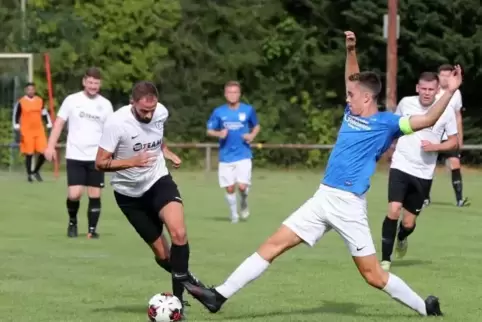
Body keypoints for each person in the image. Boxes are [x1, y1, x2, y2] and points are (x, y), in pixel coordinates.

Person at [182, 31, 463, 317]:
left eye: (352, 96)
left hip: (349, 205)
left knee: (373, 275)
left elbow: (428, 119)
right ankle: (218, 295)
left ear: (367, 99)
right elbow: (352, 79)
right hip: (323, 196)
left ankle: (425, 308)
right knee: (273, 244)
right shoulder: (350, 114)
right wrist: (350, 51)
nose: (347, 97)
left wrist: (450, 91)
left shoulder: (388, 123)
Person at [95, 81, 204, 318]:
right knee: (164, 256)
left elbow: (155, 137)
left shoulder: (160, 112)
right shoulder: (116, 123)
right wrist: (131, 162)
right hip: (129, 195)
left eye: (152, 110)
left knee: (179, 233)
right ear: (132, 103)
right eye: (144, 111)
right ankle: (188, 278)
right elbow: (100, 162)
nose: (149, 115)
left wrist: (166, 151)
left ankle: (178, 302)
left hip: (158, 181)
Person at [380, 72, 458, 272]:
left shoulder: (446, 111)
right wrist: (387, 147)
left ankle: (402, 237)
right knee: (393, 209)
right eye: (423, 88)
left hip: (423, 173)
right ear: (417, 88)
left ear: (437, 90)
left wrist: (436, 147)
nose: (426, 93)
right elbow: (394, 127)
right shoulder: (406, 103)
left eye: (431, 89)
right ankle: (385, 260)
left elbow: (453, 141)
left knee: (408, 222)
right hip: (400, 165)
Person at [44, 67, 113, 239]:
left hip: (97, 157)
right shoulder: (72, 100)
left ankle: (91, 231)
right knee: (74, 194)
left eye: (96, 83)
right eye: (90, 82)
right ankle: (73, 222)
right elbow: (59, 123)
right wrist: (50, 146)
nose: (92, 86)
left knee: (95, 194)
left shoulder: (105, 105)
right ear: (84, 82)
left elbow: (112, 131)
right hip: (75, 154)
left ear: (100, 84)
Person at [206, 81, 260, 223]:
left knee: (242, 186)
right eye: (229, 92)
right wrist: (219, 134)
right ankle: (234, 215)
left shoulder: (248, 110)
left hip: (243, 154)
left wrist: (252, 136)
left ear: (240, 94)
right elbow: (209, 130)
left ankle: (243, 202)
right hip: (225, 156)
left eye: (235, 92)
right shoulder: (219, 112)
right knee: (230, 188)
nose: (232, 95)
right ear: (225, 94)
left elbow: (256, 126)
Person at [424, 64, 468, 207]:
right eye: (442, 75)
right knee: (428, 166)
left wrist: (459, 137)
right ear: (438, 76)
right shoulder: (432, 92)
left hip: (449, 135)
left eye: (448, 75)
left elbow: (458, 116)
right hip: (433, 133)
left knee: (455, 163)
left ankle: (459, 199)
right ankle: (424, 197)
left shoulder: (456, 93)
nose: (445, 78)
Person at [12, 82, 52, 182]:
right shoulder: (21, 102)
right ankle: (29, 174)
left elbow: (44, 113)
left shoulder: (39, 101)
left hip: (39, 130)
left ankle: (36, 171)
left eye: (32, 89)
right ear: (26, 91)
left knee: (44, 152)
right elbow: (16, 115)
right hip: (27, 131)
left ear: (34, 90)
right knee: (29, 153)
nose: (31, 91)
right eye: (29, 89)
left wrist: (48, 123)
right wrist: (17, 127)